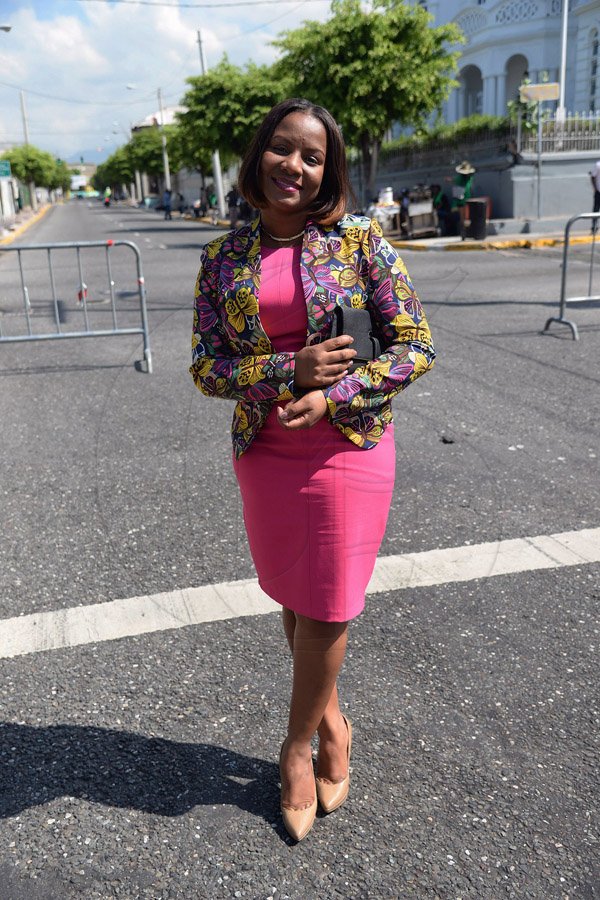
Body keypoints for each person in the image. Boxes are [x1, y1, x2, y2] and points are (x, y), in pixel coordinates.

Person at [189, 98, 435, 842]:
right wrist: (283, 371)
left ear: (327, 172)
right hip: (265, 449)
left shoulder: (360, 240)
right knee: (293, 595)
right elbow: (206, 369)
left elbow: (415, 343)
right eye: (283, 149)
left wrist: (335, 397)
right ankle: (335, 724)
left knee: (328, 602)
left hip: (348, 447)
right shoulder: (222, 259)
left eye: (313, 156)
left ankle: (297, 747)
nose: (295, 166)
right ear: (259, 153)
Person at [451, 160, 475, 239]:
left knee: (466, 217)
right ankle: (464, 232)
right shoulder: (461, 178)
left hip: (467, 200)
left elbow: (470, 188)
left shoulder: (469, 178)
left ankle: (466, 232)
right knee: (463, 218)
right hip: (462, 200)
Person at [589, 160, 600, 232]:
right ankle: (594, 226)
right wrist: (595, 189)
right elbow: (593, 177)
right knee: (596, 209)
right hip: (599, 191)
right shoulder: (598, 165)